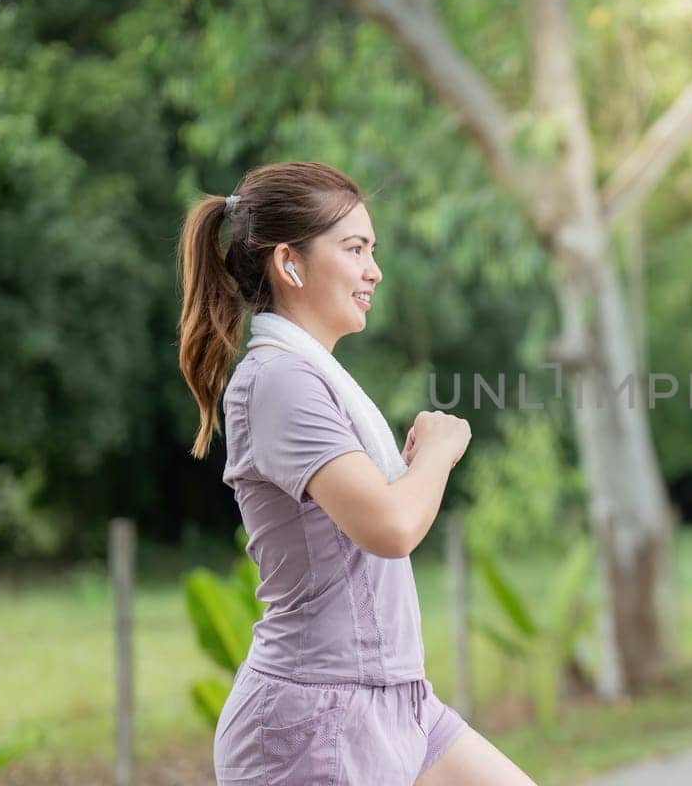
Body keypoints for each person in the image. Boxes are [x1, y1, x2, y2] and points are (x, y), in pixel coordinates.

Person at [177, 161, 537, 785]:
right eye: (354, 249)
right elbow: (392, 527)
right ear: (290, 264)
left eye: (372, 250)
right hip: (316, 719)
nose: (374, 270)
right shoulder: (280, 381)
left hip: (397, 701)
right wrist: (438, 451)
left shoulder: (315, 378)